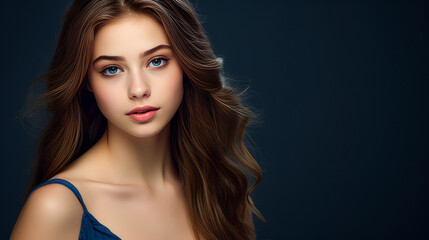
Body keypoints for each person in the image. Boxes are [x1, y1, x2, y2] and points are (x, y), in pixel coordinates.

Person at [10, 0, 264, 239]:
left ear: (187, 65)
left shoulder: (226, 196)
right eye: (112, 69)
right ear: (87, 80)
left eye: (157, 61)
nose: (138, 89)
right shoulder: (55, 208)